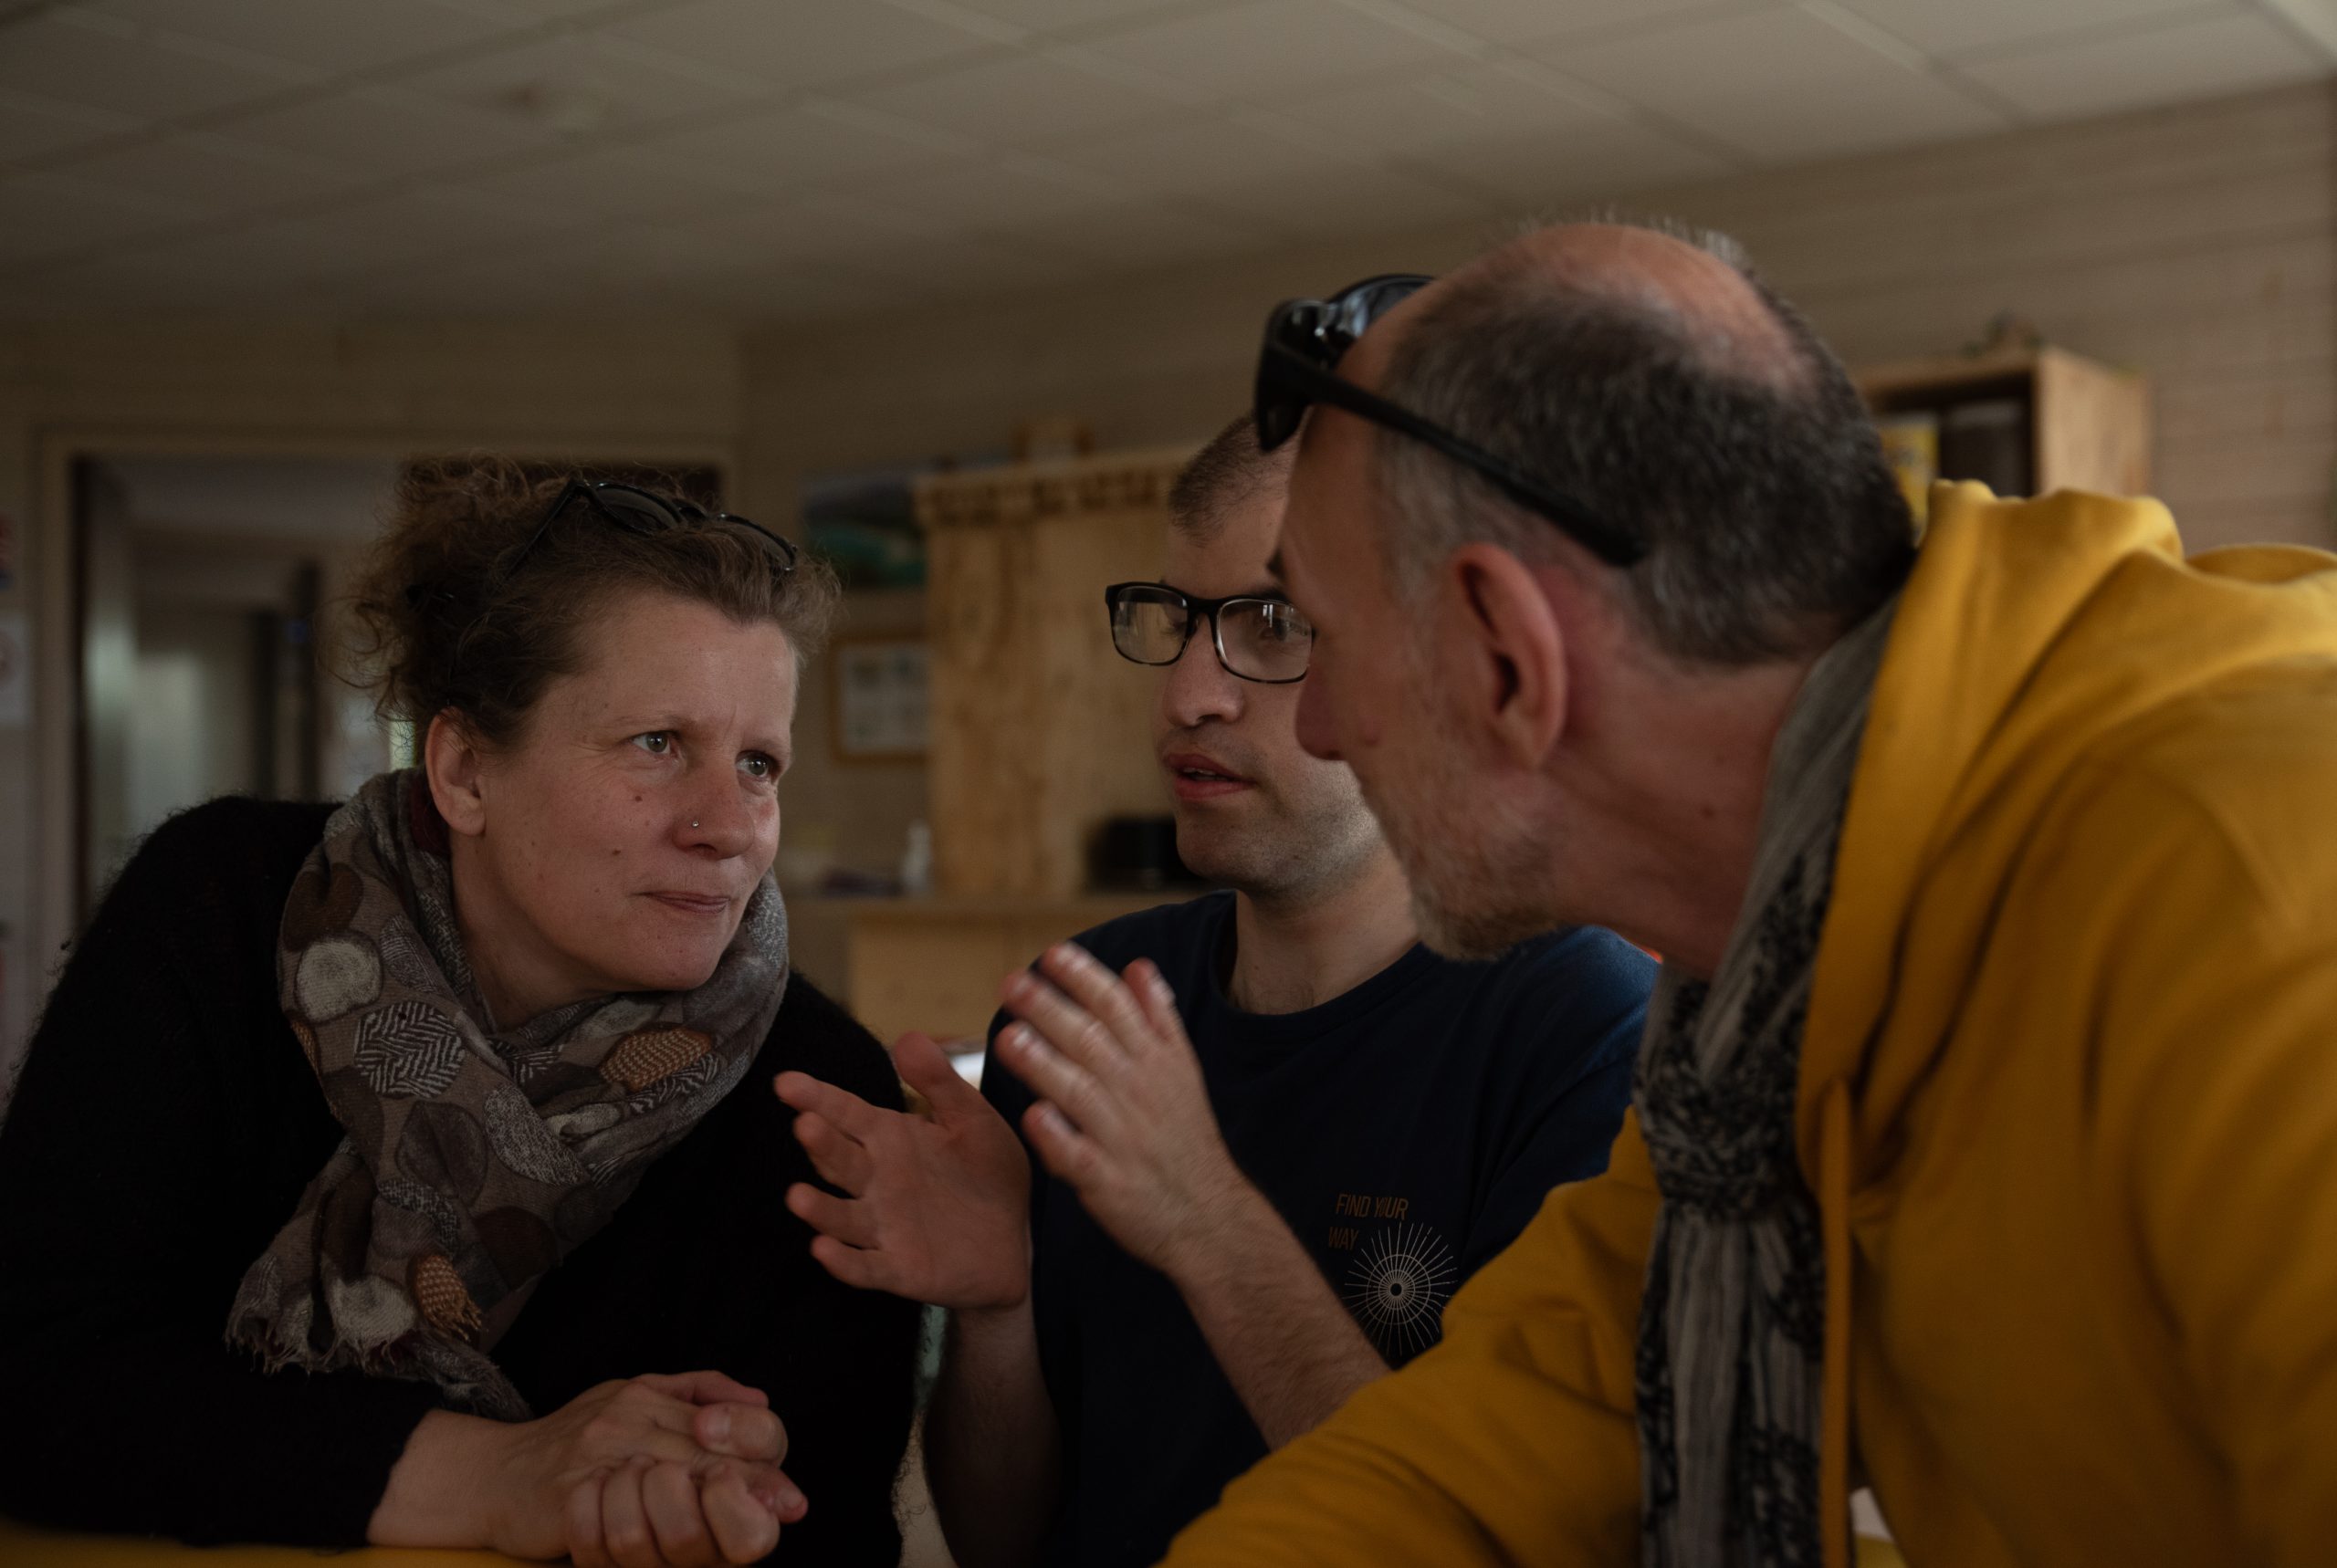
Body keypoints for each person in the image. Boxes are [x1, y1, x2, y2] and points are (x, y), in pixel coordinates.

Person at [1151, 219, 2337, 1568]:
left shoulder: (2260, 896)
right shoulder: (1763, 1023)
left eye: (1322, 638)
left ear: (1508, 661)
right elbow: (1492, 1445)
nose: (1318, 726)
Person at [0, 461, 919, 1566]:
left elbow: (827, 1529)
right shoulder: (222, 911)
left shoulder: (819, 1099)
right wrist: (504, 1474)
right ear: (466, 770)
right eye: (658, 743)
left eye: (758, 763)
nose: (729, 825)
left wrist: (723, 1506)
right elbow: (31, 1368)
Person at [773, 418, 1654, 1568]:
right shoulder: (1078, 1008)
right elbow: (1000, 1541)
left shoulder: (1588, 1028)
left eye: (1274, 623)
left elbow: (1501, 1546)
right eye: (1176, 619)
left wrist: (1203, 1216)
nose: (1189, 693)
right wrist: (994, 1306)